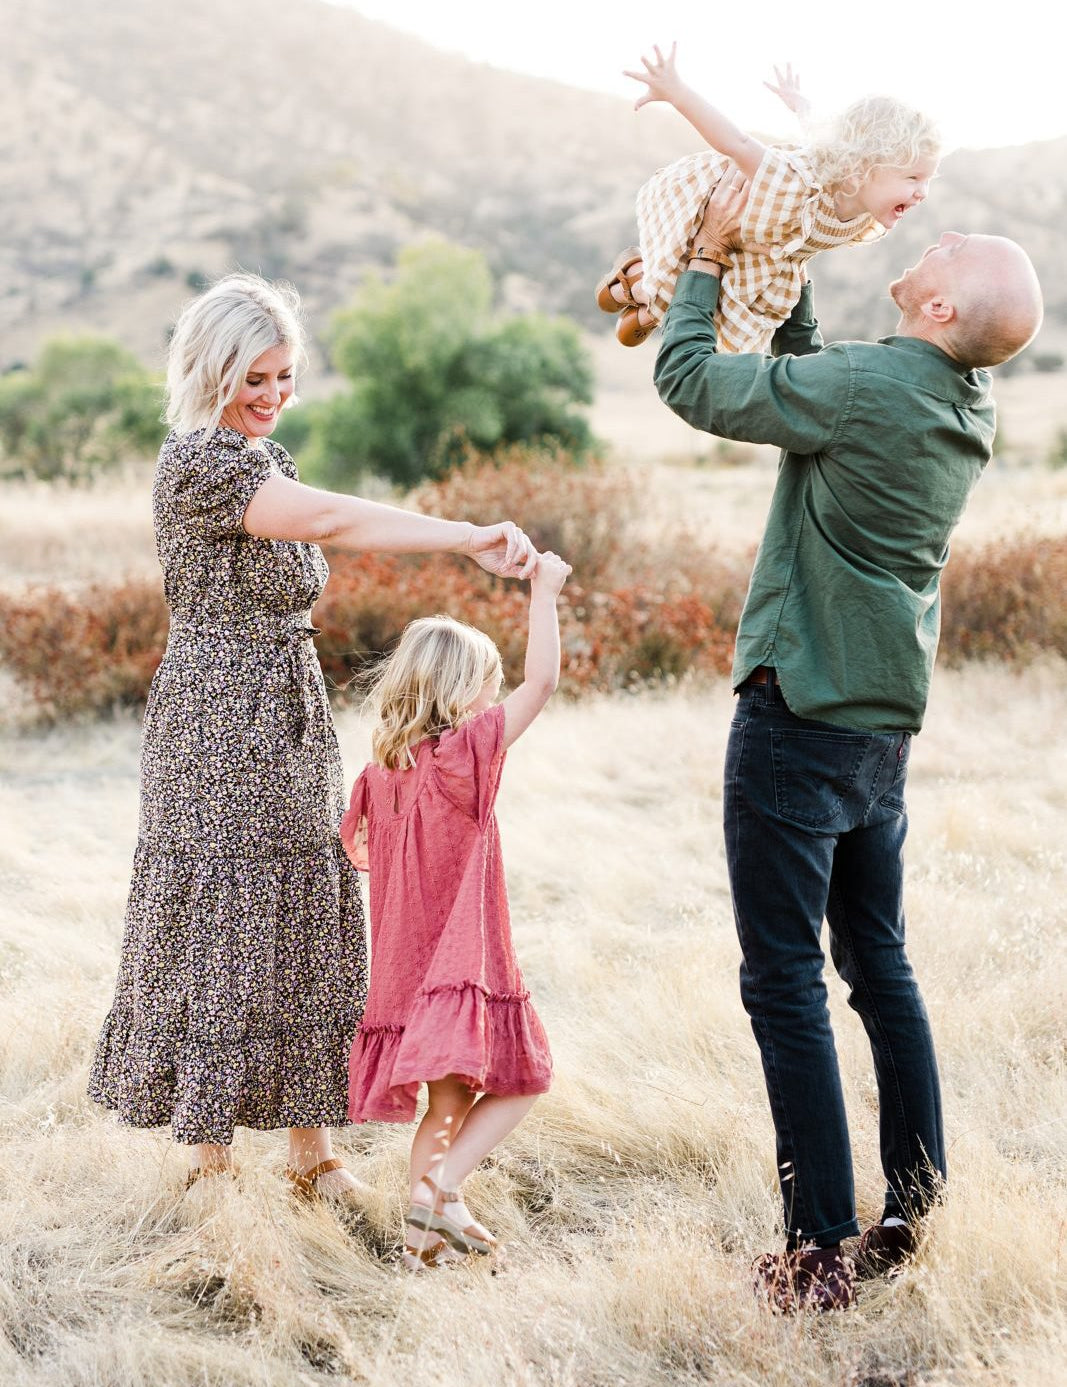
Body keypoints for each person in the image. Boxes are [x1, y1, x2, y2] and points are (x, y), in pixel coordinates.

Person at [653, 176, 1043, 1311]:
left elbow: (686, 382)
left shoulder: (871, 388)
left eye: (955, 245)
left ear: (935, 313)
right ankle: (910, 1209)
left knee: (782, 982)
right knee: (879, 967)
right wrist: (787, 279)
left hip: (794, 720)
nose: (943, 232)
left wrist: (710, 266)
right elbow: (820, 378)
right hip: (876, 730)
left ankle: (816, 1246)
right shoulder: (954, 404)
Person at [88, 272, 539, 1202]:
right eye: (253, 377)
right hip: (216, 717)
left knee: (307, 910)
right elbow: (334, 519)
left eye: (284, 376)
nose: (272, 395)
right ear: (207, 371)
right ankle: (209, 1157)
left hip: (287, 709)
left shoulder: (268, 458)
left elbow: (314, 515)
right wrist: (463, 535)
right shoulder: (200, 465)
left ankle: (312, 1150)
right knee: (226, 916)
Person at [339, 559, 569, 1271]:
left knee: (442, 1109)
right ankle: (442, 1186)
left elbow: (361, 854)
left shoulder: (379, 774)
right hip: (462, 961)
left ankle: (419, 1249)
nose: (494, 697)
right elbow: (545, 683)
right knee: (525, 1078)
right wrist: (543, 594)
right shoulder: (464, 753)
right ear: (459, 690)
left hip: (406, 973)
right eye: (486, 685)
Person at [596, 44, 939, 348]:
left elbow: (828, 133)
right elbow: (737, 143)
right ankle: (636, 283)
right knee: (679, 284)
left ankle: (648, 299)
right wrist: (678, 93)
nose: (922, 193)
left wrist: (799, 102)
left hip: (761, 248)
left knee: (735, 310)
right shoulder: (794, 183)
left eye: (927, 180)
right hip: (718, 205)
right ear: (863, 168)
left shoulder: (864, 205)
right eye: (913, 178)